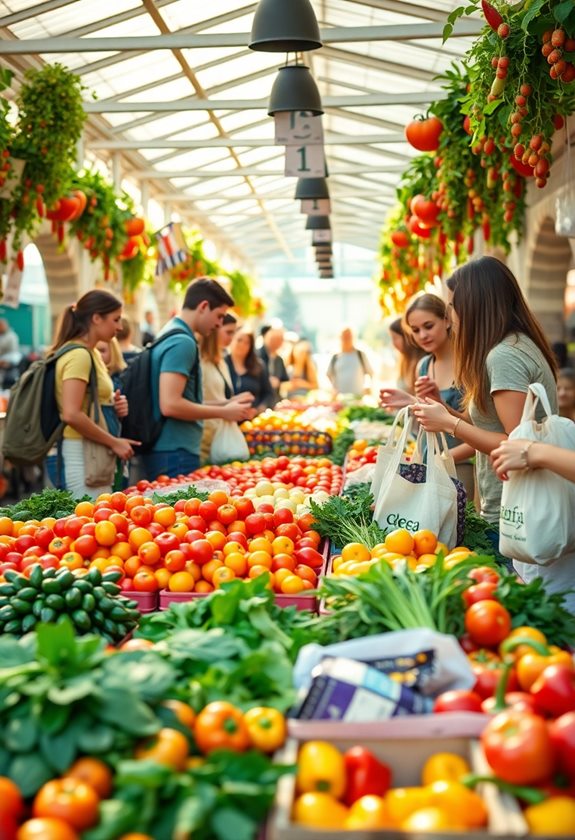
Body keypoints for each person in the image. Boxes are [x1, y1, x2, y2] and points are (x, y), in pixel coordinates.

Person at [411, 256, 557, 533]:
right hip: (511, 501)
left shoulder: (504, 356)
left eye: (452, 306)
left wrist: (449, 423)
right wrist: (443, 410)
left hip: (516, 509)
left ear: (473, 306)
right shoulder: (514, 345)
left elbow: (517, 443)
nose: (451, 317)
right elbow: (487, 423)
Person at [141, 277, 253, 481]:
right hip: (175, 452)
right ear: (203, 306)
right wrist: (223, 411)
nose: (219, 323)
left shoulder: (171, 332)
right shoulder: (183, 342)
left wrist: (227, 403)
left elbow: (181, 399)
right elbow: (170, 404)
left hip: (171, 450)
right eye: (219, 316)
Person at [380, 295, 475, 495]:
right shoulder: (423, 366)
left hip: (459, 469)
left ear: (447, 320)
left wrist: (443, 458)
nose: (422, 335)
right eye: (415, 330)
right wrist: (411, 402)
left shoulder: (469, 365)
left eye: (428, 326)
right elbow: (430, 419)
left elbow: (480, 431)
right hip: (426, 467)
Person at [53, 290, 135, 498]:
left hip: (92, 451)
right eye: (115, 319)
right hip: (83, 453)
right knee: (90, 522)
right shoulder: (79, 355)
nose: (119, 327)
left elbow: (85, 405)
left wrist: (113, 407)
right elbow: (71, 414)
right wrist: (114, 442)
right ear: (96, 318)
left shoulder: (91, 354)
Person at [199, 312, 251, 464]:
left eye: (234, 332)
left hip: (219, 438)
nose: (232, 337)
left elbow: (217, 398)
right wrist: (226, 408)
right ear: (215, 329)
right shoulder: (200, 362)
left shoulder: (221, 362)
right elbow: (194, 402)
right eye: (228, 332)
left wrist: (236, 401)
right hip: (203, 439)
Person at [226, 328, 274, 412]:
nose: (242, 345)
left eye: (247, 343)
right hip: (227, 417)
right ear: (232, 340)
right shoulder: (222, 364)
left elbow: (268, 393)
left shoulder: (259, 366)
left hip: (253, 420)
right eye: (239, 340)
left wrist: (260, 409)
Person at [327, 327, 373, 397]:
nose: (347, 339)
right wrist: (333, 389)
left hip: (358, 398)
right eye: (344, 336)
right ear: (340, 338)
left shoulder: (360, 355)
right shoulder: (335, 357)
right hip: (340, 399)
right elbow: (328, 375)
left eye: (349, 336)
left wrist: (368, 386)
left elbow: (370, 373)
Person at [388, 317, 424, 392]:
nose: (393, 344)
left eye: (395, 338)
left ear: (406, 337)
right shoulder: (403, 360)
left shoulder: (422, 363)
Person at [258, 324, 289, 405]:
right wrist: (267, 381)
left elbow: (284, 380)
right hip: (260, 401)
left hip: (275, 402)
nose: (278, 342)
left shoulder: (279, 359)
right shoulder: (256, 356)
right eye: (274, 339)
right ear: (266, 338)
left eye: (280, 339)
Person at [0, 318, 22, 388]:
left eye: (2, 326)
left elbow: (13, 353)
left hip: (9, 360)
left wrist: (4, 361)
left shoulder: (12, 336)